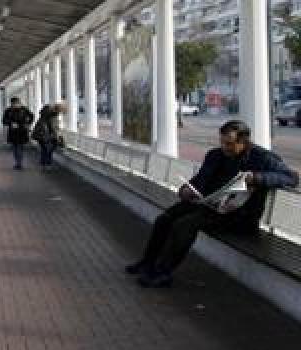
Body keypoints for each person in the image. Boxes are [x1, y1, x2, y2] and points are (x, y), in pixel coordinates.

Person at [127, 120, 298, 287]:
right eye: (222, 142)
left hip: (239, 217)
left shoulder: (263, 158)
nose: (225, 147)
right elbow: (200, 180)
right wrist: (186, 190)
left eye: (229, 144)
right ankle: (147, 263)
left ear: (243, 142)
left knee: (184, 224)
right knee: (164, 218)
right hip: (210, 207)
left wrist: (258, 177)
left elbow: (292, 177)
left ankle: (162, 273)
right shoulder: (215, 155)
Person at [1, 97, 34, 170]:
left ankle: (19, 163)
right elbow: (3, 120)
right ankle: (18, 162)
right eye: (13, 103)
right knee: (14, 148)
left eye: (16, 103)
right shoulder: (8, 110)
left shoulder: (24, 109)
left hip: (22, 131)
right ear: (11, 103)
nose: (15, 105)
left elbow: (31, 116)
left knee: (20, 147)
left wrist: (27, 123)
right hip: (13, 132)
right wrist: (10, 123)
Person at [31, 102, 64, 169]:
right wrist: (57, 136)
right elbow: (52, 127)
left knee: (44, 149)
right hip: (46, 135)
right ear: (58, 110)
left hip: (40, 134)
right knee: (49, 149)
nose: (60, 113)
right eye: (61, 111)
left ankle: (43, 162)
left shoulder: (44, 114)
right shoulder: (52, 115)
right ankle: (47, 163)